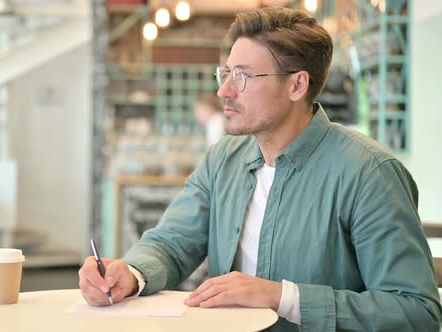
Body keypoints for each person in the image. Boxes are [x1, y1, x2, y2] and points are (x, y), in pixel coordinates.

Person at [79, 7, 442, 331]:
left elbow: (416, 311)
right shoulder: (224, 158)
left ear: (297, 84)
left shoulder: (369, 173)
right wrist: (129, 273)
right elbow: (171, 244)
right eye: (225, 73)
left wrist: (284, 297)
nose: (224, 91)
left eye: (243, 76)